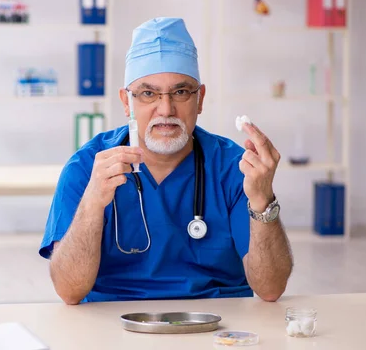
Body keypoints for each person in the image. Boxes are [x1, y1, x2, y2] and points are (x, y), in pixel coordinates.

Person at [39, 17, 293, 305]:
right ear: (126, 102)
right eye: (148, 94)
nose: (166, 108)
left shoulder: (233, 168)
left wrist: (263, 202)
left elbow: (270, 288)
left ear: (200, 99)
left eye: (181, 92)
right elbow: (69, 291)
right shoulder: (87, 168)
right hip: (112, 322)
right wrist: (92, 203)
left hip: (217, 323)